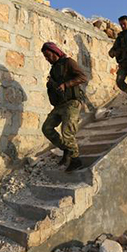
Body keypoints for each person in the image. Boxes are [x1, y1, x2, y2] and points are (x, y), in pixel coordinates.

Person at [41, 42, 88, 171]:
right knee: (47, 128)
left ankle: (76, 159)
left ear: (55, 52)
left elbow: (83, 77)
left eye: (48, 55)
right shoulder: (53, 69)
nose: (47, 59)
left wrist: (66, 84)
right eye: (45, 57)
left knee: (67, 131)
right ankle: (66, 150)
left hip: (72, 102)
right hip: (60, 104)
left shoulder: (68, 62)